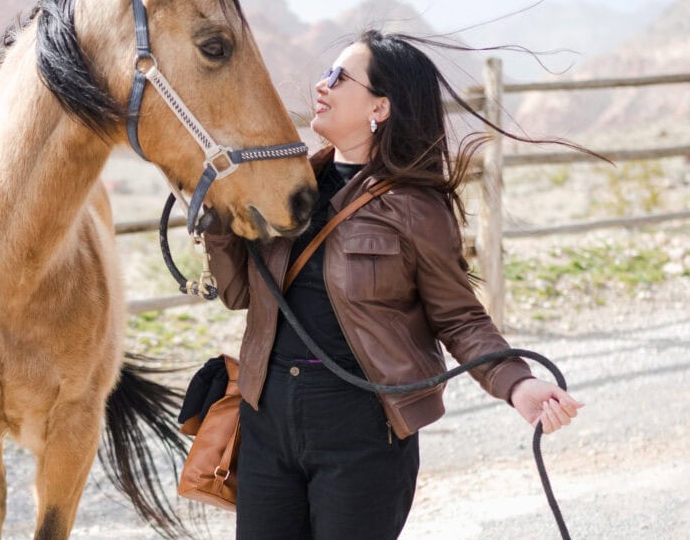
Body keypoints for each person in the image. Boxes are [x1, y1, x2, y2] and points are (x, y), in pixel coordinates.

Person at [202, 29, 584, 540]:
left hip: (360, 430)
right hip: (267, 418)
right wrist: (218, 215)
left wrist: (517, 383)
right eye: (325, 73)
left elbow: (459, 316)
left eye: (339, 77)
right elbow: (239, 296)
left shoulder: (414, 207)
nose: (322, 84)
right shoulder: (286, 189)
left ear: (380, 107)